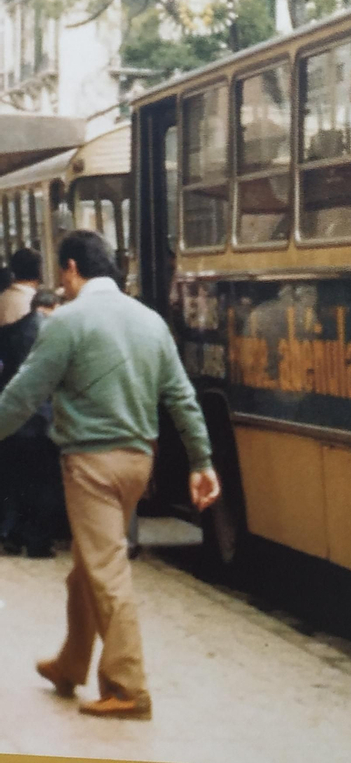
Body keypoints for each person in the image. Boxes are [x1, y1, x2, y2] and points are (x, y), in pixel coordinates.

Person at [0, 231, 220, 720]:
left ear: (73, 269)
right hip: (137, 463)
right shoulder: (150, 322)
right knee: (88, 565)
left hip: (91, 466)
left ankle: (128, 685)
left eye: (64, 274)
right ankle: (70, 662)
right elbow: (182, 397)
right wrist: (202, 462)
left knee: (105, 569)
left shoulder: (66, 323)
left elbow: (22, 396)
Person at [0, 248, 61, 557]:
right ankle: (38, 542)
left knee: (13, 480)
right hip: (44, 419)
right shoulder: (55, 335)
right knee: (44, 483)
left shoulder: (9, 333)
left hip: (12, 418)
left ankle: (11, 533)